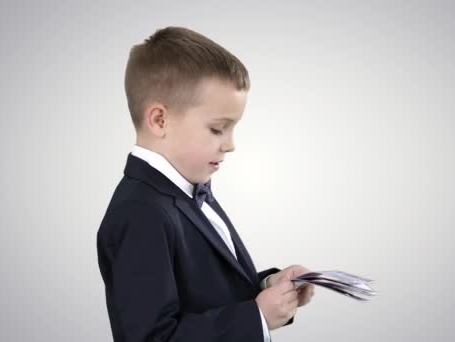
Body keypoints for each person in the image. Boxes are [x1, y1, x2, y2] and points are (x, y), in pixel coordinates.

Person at [97, 26, 315, 342]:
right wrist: (257, 317)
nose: (230, 145)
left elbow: (206, 296)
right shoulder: (140, 213)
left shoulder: (189, 187)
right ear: (160, 120)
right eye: (217, 129)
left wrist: (269, 290)